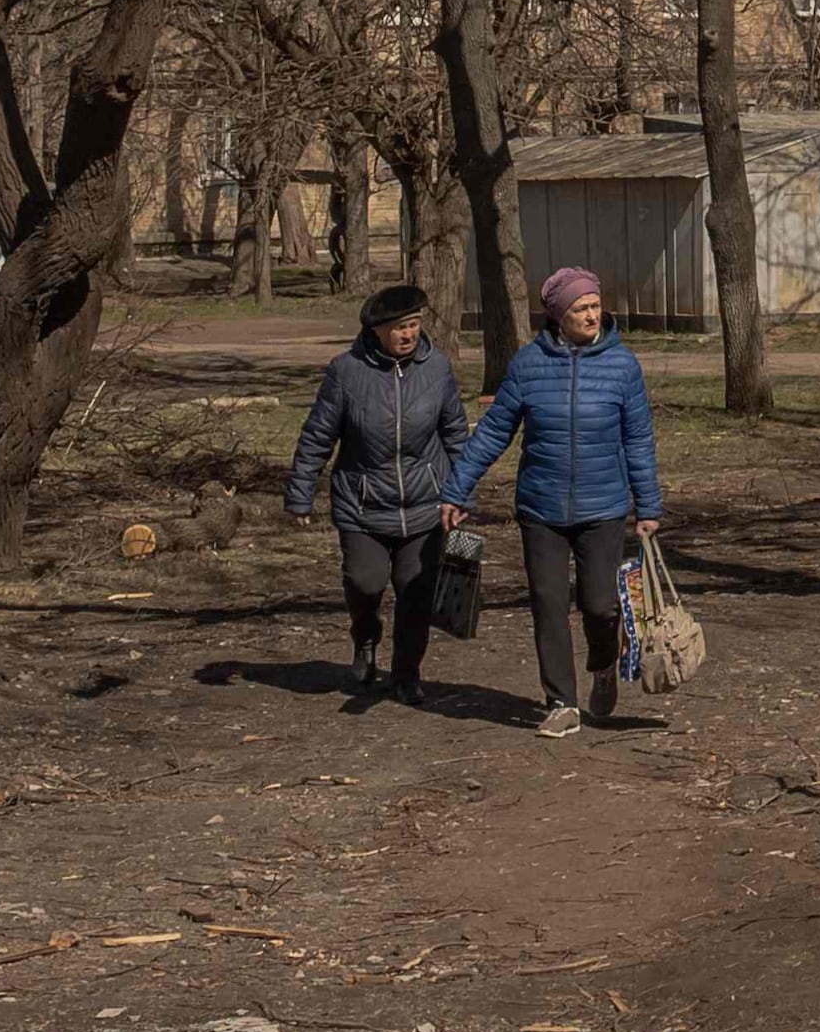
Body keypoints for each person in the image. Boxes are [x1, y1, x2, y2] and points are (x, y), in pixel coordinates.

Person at [456, 265, 661, 737]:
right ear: (557, 316)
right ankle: (561, 702)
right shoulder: (528, 366)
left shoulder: (622, 366)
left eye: (595, 306)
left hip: (603, 506)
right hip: (540, 507)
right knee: (548, 602)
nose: (592, 315)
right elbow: (492, 433)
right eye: (580, 309)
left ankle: (604, 665)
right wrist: (457, 488)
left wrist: (647, 506)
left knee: (600, 605)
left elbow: (638, 440)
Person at [283, 282, 478, 710]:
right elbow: (317, 435)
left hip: (426, 506)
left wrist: (462, 494)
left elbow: (455, 435)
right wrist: (301, 493)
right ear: (375, 331)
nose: (408, 334)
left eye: (413, 325)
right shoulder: (345, 373)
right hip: (363, 504)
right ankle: (365, 634)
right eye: (397, 327)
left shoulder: (438, 369)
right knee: (364, 581)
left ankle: (407, 674)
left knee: (415, 591)